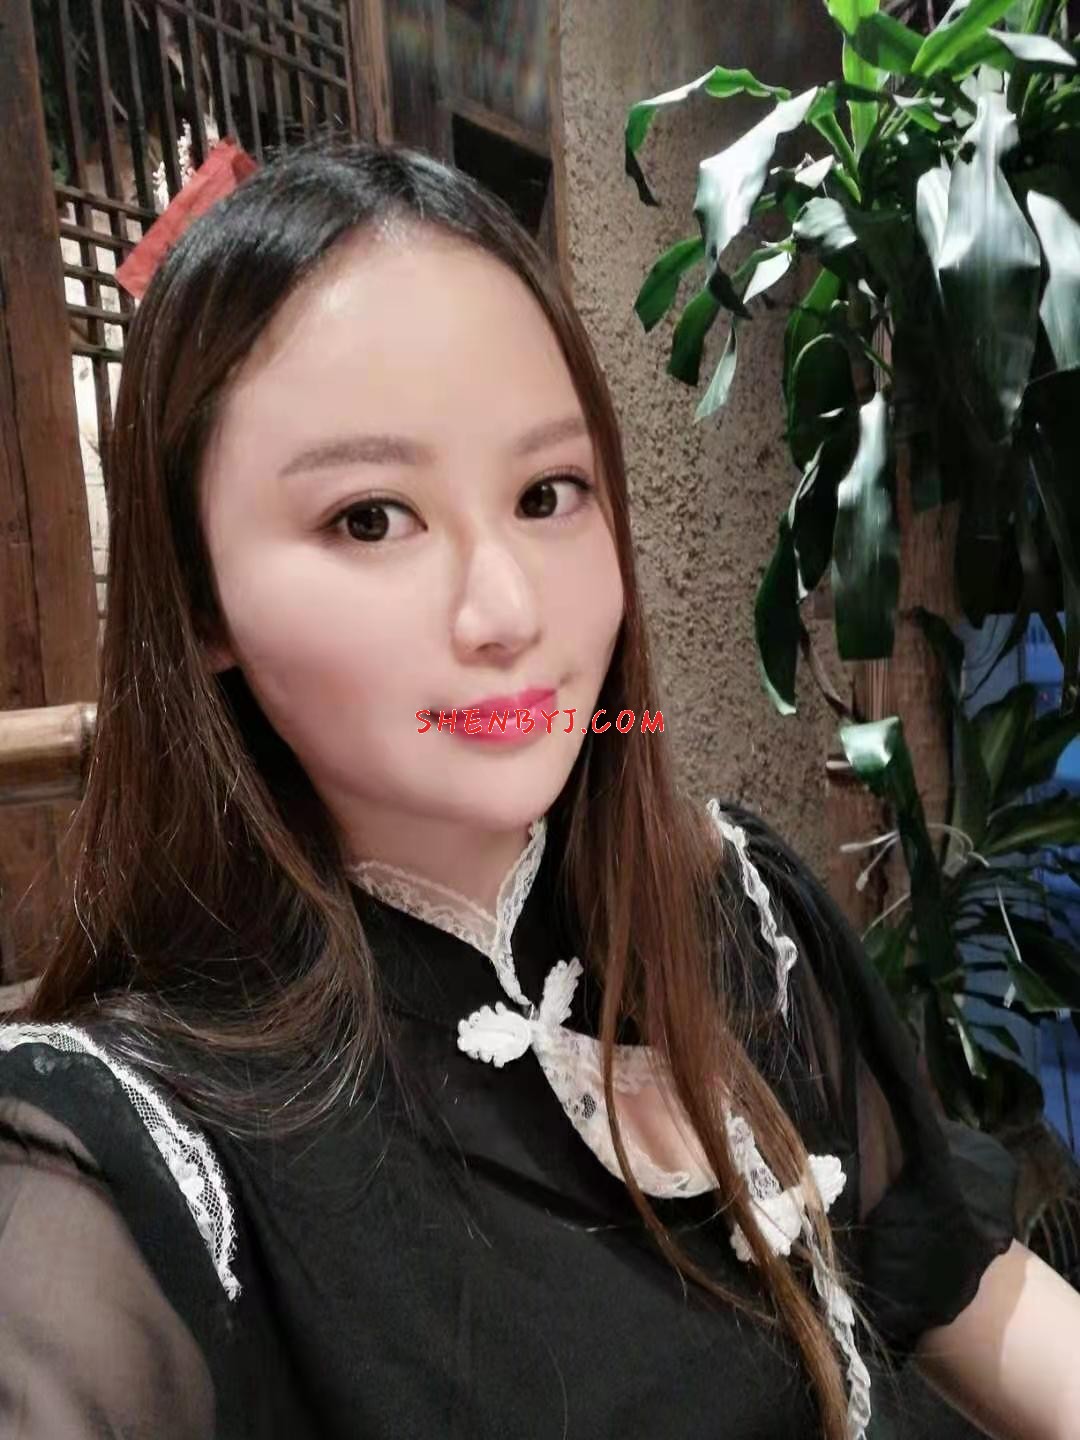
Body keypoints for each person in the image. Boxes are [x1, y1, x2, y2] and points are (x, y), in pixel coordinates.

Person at [0, 141, 1075, 1440]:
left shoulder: (733, 901)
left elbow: (955, 1279)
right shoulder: (131, 1155)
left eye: (547, 494)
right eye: (370, 518)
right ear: (201, 596)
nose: (507, 611)